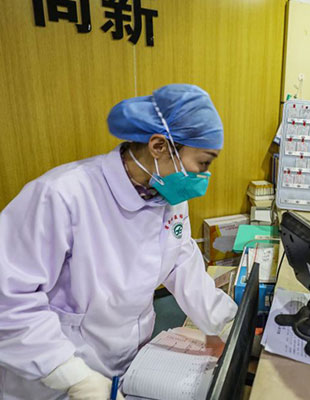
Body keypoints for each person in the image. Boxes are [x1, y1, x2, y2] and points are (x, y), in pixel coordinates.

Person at [0, 84, 238, 399]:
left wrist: (226, 323)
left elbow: (181, 263)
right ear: (159, 146)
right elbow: (8, 298)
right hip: (54, 371)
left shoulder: (167, 193)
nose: (204, 175)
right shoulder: (61, 195)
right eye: (203, 163)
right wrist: (72, 376)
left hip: (127, 363)